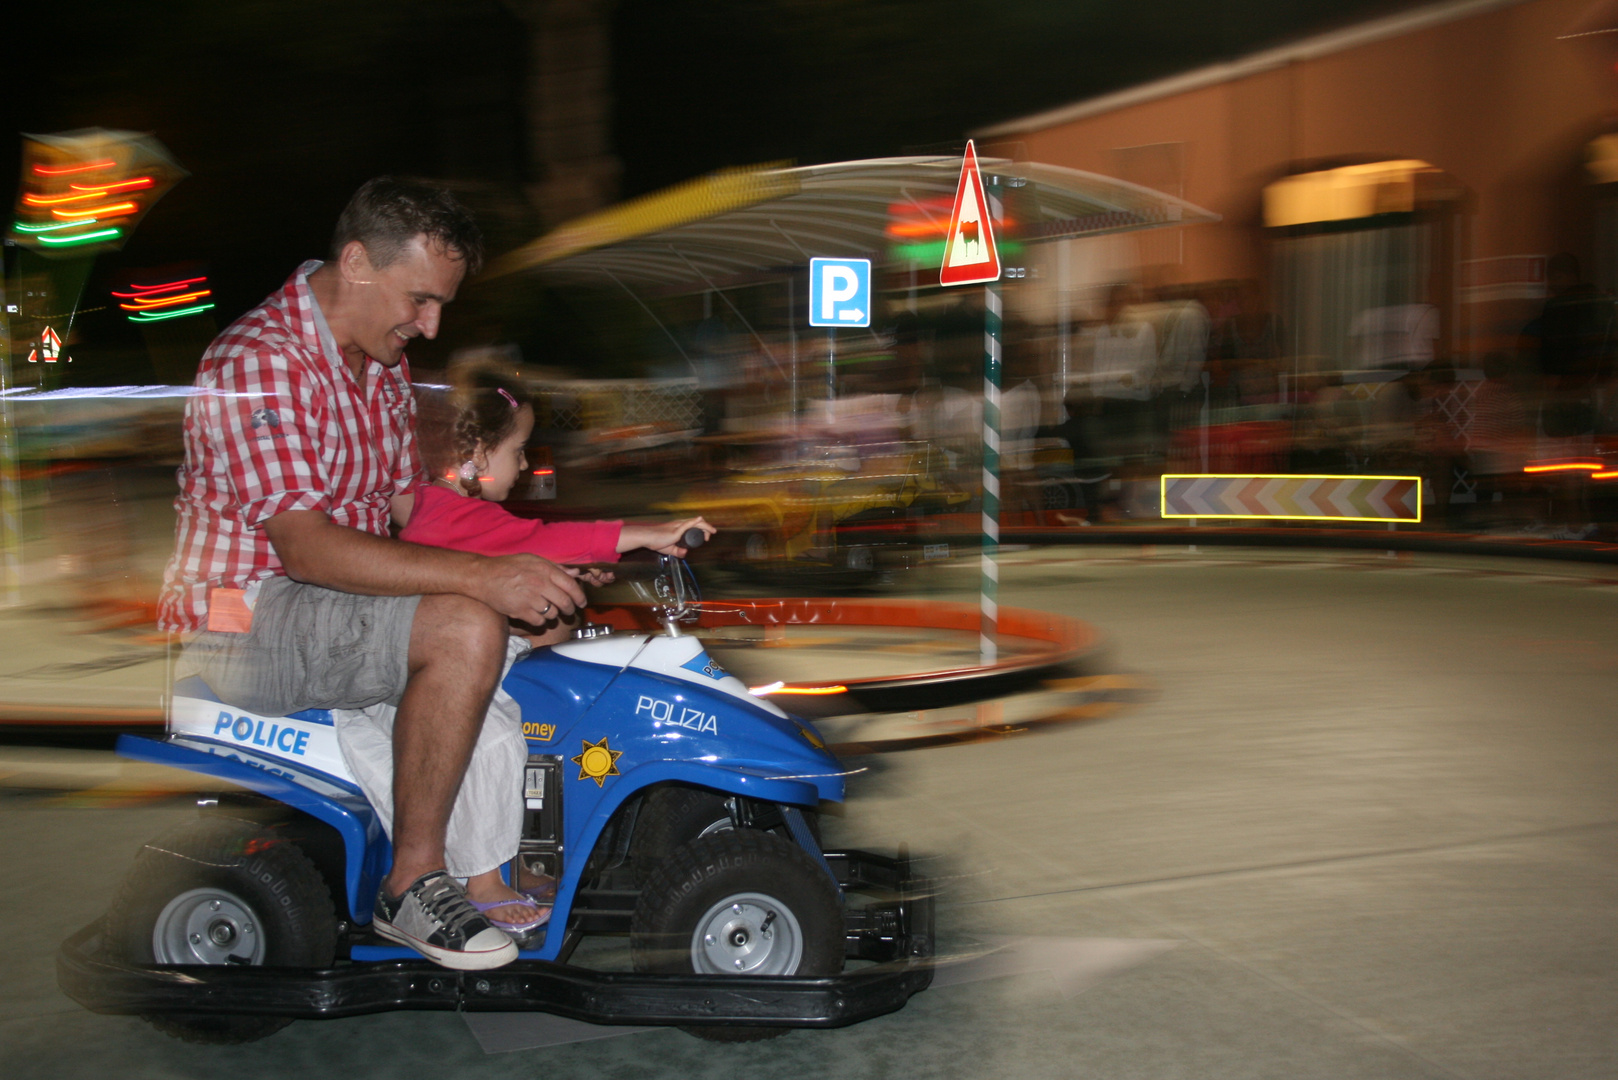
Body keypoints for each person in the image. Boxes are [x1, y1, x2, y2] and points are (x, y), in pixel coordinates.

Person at [157, 177, 588, 971]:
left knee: (532, 620)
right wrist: (482, 586)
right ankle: (413, 883)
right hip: (239, 616)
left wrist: (525, 567)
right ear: (356, 262)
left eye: (441, 306)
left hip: (328, 601)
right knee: (465, 622)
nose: (429, 326)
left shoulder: (377, 365)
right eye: (420, 300)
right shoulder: (258, 361)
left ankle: (494, 854)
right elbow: (308, 549)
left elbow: (405, 514)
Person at [333, 368, 713, 935]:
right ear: (478, 453)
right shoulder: (446, 510)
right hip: (412, 680)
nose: (525, 466)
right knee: (497, 736)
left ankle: (509, 854)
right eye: (517, 451)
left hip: (440, 655)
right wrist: (645, 533)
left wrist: (563, 571)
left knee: (546, 676)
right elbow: (531, 539)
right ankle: (483, 880)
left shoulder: (444, 511)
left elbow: (508, 554)